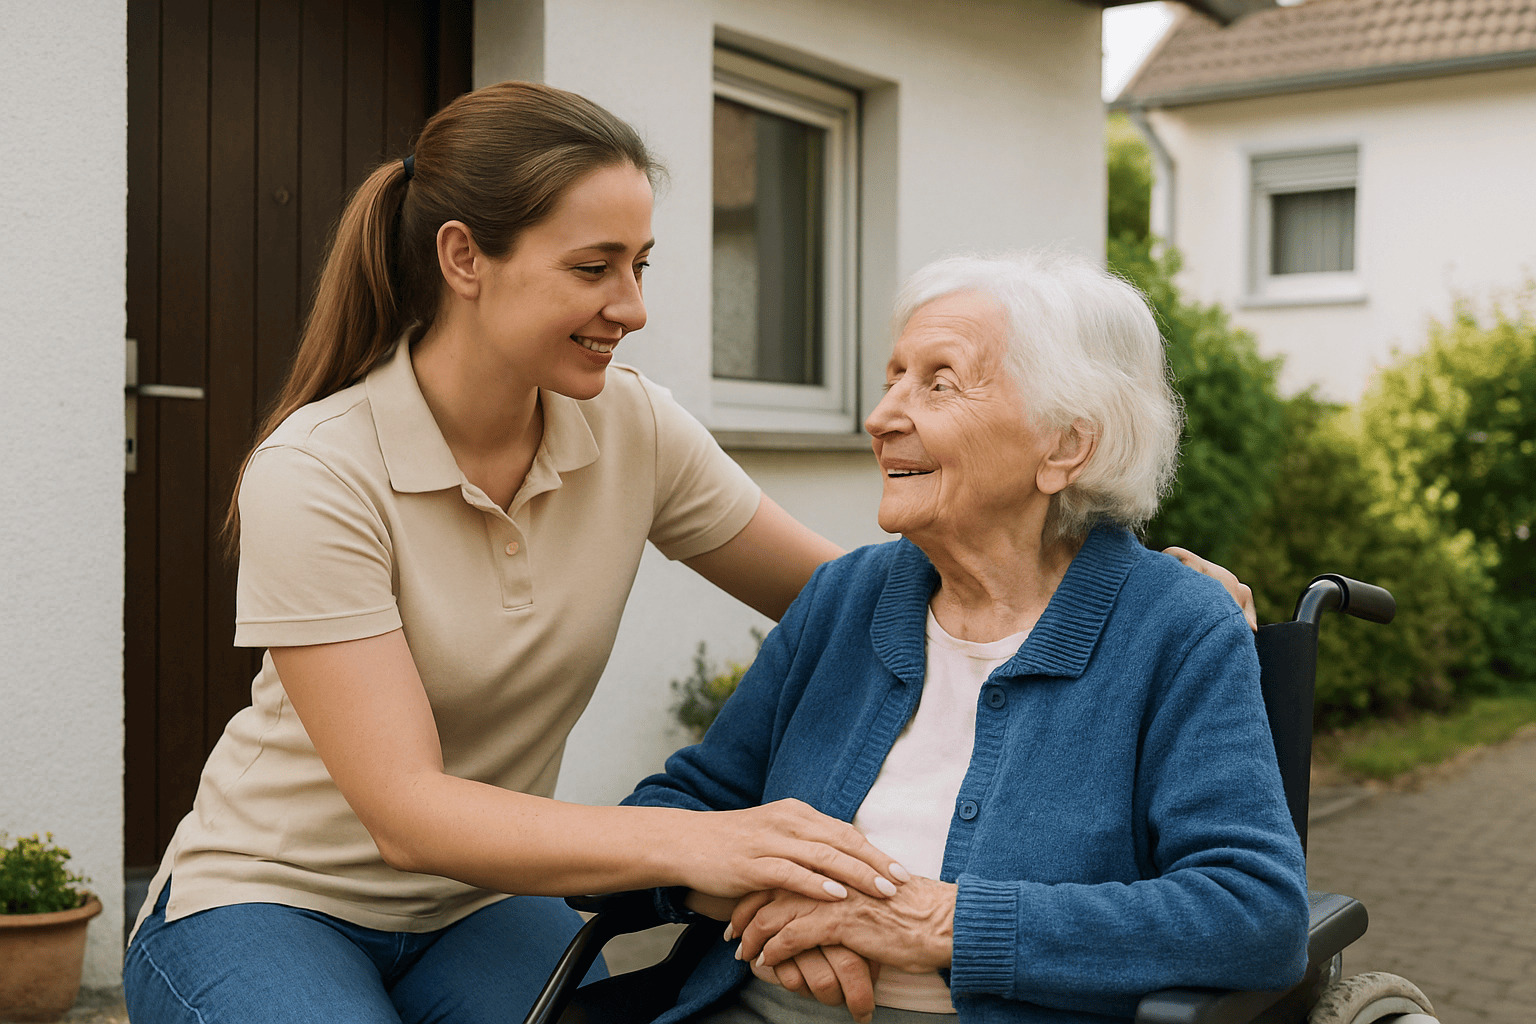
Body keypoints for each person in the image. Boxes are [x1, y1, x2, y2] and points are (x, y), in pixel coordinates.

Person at [121, 80, 1254, 1023]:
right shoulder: (318, 472)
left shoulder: (630, 425)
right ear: (465, 258)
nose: (633, 306)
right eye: (593, 267)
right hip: (281, 892)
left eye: (642, 266)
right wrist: (725, 857)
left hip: (476, 901)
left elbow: (882, 606)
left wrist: (1130, 582)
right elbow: (405, 811)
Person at [623, 252, 1311, 1024]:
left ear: (1065, 446)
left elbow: (1254, 913)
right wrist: (785, 894)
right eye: (894, 378)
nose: (882, 416)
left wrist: (934, 922)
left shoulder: (1174, 629)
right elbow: (669, 811)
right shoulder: (845, 598)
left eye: (939, 383)